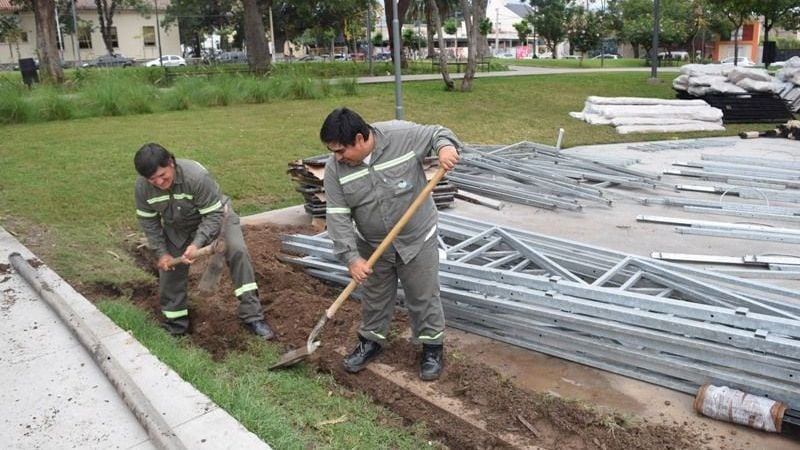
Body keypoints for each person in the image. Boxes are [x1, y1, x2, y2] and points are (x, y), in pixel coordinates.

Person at [319, 107, 461, 381]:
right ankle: (370, 342)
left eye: (341, 151)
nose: (337, 157)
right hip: (372, 245)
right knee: (375, 297)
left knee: (423, 294)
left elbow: (438, 133)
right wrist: (352, 258)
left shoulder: (401, 136)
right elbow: (337, 216)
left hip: (416, 237)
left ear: (360, 139)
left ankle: (431, 347)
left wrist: (445, 148)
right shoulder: (334, 169)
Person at [133, 143, 273, 339]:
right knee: (169, 271)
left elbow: (213, 216)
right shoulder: (143, 188)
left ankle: (253, 317)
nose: (159, 182)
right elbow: (149, 223)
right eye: (152, 179)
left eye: (162, 175)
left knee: (238, 251)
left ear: (171, 163)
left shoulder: (196, 177)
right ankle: (176, 325)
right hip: (178, 227)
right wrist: (161, 253)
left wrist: (196, 244)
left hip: (218, 217)